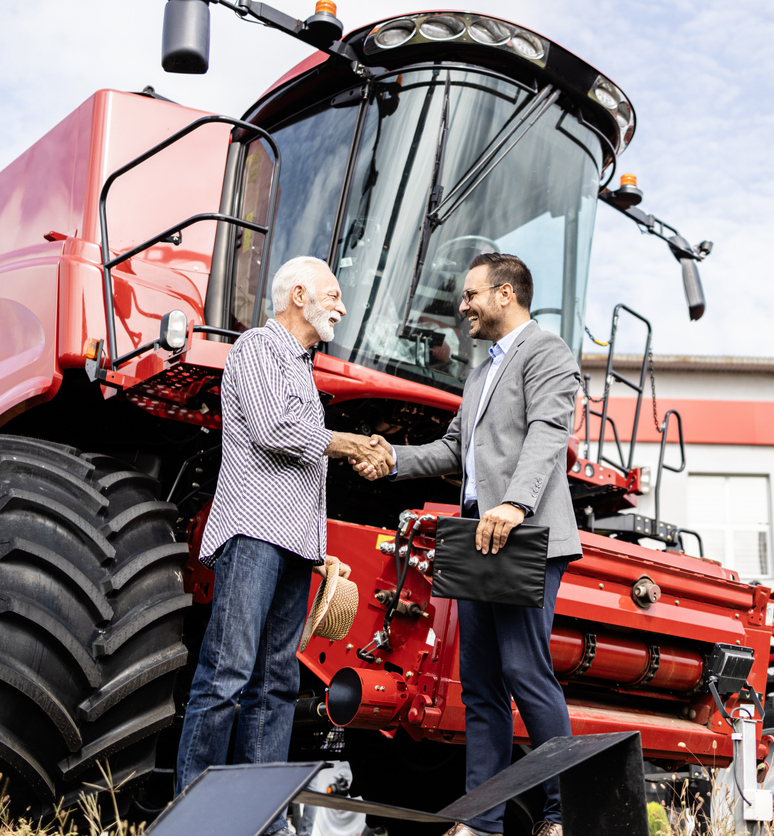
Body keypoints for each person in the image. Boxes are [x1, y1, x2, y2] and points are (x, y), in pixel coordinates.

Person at [176, 256, 394, 836]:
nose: (342, 308)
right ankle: (194, 817)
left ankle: (261, 820)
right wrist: (348, 443)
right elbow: (275, 432)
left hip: (293, 545)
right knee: (226, 674)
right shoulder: (255, 350)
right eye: (334, 294)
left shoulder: (301, 367)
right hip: (253, 534)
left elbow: (303, 468)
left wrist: (318, 545)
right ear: (299, 294)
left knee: (277, 683)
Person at [376, 253, 582, 836]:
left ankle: (560, 814)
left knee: (526, 672)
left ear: (505, 293)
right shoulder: (478, 369)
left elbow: (548, 433)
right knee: (481, 688)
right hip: (475, 538)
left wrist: (515, 505)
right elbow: (452, 449)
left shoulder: (547, 352)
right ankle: (482, 822)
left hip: (524, 534)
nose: (461, 305)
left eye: (471, 294)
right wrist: (392, 459)